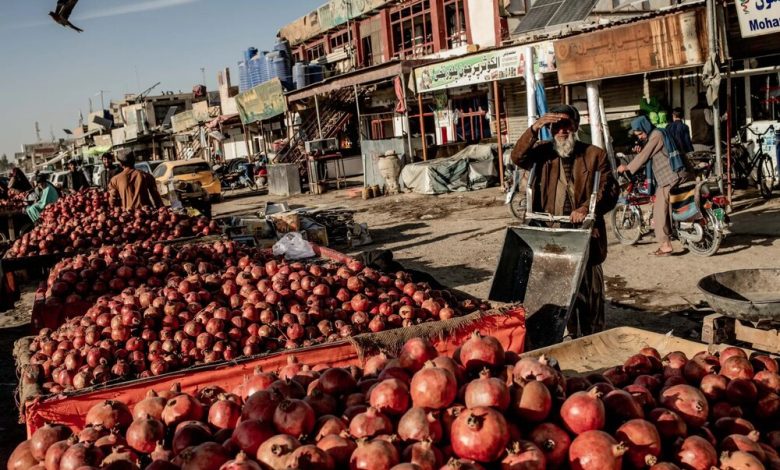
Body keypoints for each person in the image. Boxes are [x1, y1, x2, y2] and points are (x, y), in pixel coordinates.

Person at [510, 104, 619, 337]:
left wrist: (586, 207)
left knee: (589, 297)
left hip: (585, 236)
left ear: (575, 126)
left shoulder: (594, 154)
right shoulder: (542, 153)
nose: (561, 130)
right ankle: (566, 335)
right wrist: (535, 127)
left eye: (566, 125)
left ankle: (591, 339)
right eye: (555, 126)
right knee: (557, 295)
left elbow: (609, 190)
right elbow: (517, 156)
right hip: (553, 237)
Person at [618, 115, 688, 257]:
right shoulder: (656, 134)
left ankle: (665, 245)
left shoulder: (656, 135)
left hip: (671, 176)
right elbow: (648, 153)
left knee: (659, 209)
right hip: (678, 173)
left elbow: (645, 155)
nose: (640, 136)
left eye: (640, 133)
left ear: (645, 127)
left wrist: (627, 167)